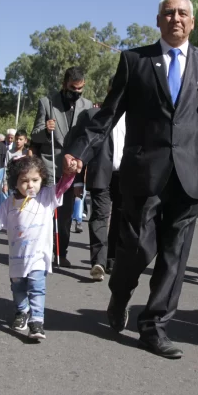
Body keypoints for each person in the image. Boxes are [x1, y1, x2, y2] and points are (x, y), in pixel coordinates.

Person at [64, 0, 198, 359]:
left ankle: (154, 326)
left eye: (183, 14)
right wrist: (79, 151)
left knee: (175, 255)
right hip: (144, 173)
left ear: (192, 22)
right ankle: (120, 291)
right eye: (168, 13)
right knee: (140, 248)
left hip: (191, 174)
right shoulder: (135, 61)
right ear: (158, 21)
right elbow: (108, 114)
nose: (176, 18)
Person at [0, 156, 74, 341]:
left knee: (36, 287)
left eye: (35, 180)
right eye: (24, 181)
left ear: (42, 179)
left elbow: (62, 187)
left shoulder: (47, 197)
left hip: (38, 257)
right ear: (15, 182)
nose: (30, 185)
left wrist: (68, 174)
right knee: (18, 288)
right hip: (17, 258)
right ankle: (22, 311)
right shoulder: (9, 203)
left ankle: (37, 321)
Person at [31, 66, 93, 267]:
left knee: (65, 215)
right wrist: (45, 130)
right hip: (50, 166)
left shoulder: (87, 105)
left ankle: (61, 252)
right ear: (64, 85)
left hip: (72, 168)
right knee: (47, 213)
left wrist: (80, 161)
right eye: (73, 89)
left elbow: (88, 138)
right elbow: (35, 135)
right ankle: (41, 252)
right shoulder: (47, 103)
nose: (77, 93)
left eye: (80, 89)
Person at [65, 89, 125, 281]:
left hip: (126, 175)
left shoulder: (135, 117)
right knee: (100, 214)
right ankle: (98, 262)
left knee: (121, 217)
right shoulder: (94, 116)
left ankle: (112, 259)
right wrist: (77, 180)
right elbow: (83, 144)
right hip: (100, 172)